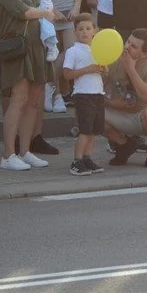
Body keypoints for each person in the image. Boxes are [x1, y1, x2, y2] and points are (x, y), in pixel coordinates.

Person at [0, 0, 58, 170]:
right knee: (19, 99)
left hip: (35, 45)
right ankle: (8, 154)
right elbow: (22, 11)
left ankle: (26, 150)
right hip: (18, 46)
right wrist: (46, 14)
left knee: (34, 101)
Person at [103, 30, 147, 168]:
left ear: (145, 53)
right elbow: (98, 87)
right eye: (128, 41)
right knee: (89, 113)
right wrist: (109, 102)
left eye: (133, 46)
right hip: (122, 112)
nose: (127, 47)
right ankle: (124, 145)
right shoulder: (114, 58)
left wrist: (131, 70)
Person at [61, 14, 106, 175]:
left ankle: (87, 158)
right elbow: (67, 74)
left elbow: (101, 71)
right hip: (83, 95)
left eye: (88, 28)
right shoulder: (73, 51)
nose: (84, 32)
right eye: (80, 29)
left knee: (93, 131)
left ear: (95, 30)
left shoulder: (97, 50)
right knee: (85, 130)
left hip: (98, 93)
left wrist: (103, 69)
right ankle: (77, 161)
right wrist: (88, 69)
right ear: (75, 31)